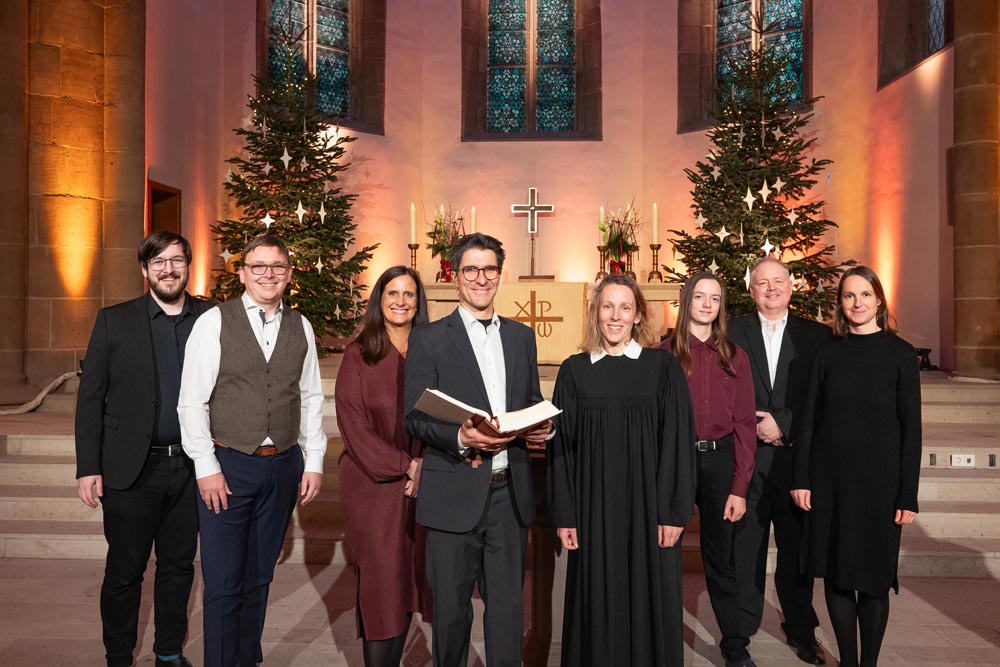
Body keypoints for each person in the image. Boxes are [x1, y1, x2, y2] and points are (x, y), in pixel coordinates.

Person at [177, 234, 326, 667]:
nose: (268, 274)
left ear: (289, 274)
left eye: (277, 266)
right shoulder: (214, 322)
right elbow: (192, 401)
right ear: (242, 272)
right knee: (224, 581)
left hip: (281, 466)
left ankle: (246, 659)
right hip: (228, 465)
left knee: (259, 577)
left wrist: (313, 460)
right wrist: (206, 466)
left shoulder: (302, 326)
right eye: (258, 266)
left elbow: (311, 396)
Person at [403, 233, 551, 667]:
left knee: (507, 611)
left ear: (500, 275)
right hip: (452, 491)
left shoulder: (522, 338)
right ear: (455, 275)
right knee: (450, 613)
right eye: (471, 269)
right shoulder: (429, 338)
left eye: (490, 269)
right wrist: (460, 438)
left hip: (509, 494)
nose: (481, 278)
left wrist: (541, 430)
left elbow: (529, 401)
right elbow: (413, 416)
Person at [75, 231, 211, 667]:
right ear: (145, 270)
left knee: (178, 568)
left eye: (176, 260)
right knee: (124, 573)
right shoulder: (114, 320)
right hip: (131, 469)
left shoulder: (211, 318)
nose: (168, 269)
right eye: (159, 262)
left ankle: (169, 652)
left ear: (189, 265)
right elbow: (90, 398)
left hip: (190, 468)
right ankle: (118, 656)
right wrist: (87, 467)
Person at [546, 274, 696, 667]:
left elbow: (678, 442)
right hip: (594, 512)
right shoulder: (574, 371)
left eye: (624, 307)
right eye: (607, 307)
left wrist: (673, 511)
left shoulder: (662, 368)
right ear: (596, 314)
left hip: (650, 511)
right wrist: (566, 515)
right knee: (597, 598)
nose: (615, 316)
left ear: (638, 315)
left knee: (651, 600)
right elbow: (562, 448)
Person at [791, 266, 921, 667]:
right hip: (830, 482)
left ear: (879, 299)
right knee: (837, 575)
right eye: (849, 296)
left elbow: (911, 429)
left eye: (865, 295)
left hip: (880, 485)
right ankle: (848, 662)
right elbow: (809, 418)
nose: (857, 303)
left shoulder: (901, 353)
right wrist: (802, 478)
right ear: (840, 304)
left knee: (875, 580)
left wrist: (907, 494)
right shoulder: (828, 352)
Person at [729, 257, 831, 665]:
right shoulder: (732, 331)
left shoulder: (819, 336)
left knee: (796, 548)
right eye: (762, 282)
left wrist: (783, 424)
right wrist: (754, 423)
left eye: (778, 281)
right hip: (746, 458)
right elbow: (722, 386)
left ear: (791, 286)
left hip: (795, 461)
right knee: (745, 547)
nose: (771, 289)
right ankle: (741, 628)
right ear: (751, 289)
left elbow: (823, 397)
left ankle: (801, 629)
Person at [335, 266, 432, 666]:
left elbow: (444, 417)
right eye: (392, 293)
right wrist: (405, 464)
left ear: (418, 303)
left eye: (409, 295)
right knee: (381, 586)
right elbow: (353, 426)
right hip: (374, 487)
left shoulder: (431, 352)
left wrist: (425, 464)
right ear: (379, 299)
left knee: (408, 582)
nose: (400, 301)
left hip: (423, 485)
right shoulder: (359, 355)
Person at [665, 272, 757, 667]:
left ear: (721, 306)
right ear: (687, 301)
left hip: (720, 463)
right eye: (699, 296)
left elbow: (745, 426)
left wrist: (739, 487)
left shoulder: (735, 356)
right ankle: (665, 646)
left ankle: (735, 649)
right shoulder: (664, 355)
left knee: (721, 562)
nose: (706, 304)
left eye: (714, 298)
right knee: (665, 554)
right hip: (676, 461)